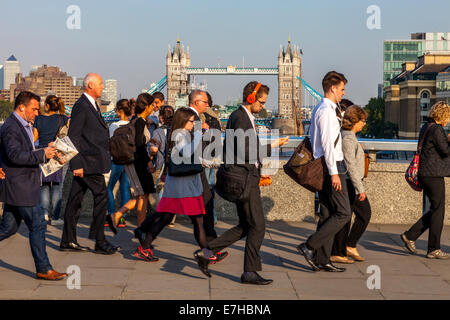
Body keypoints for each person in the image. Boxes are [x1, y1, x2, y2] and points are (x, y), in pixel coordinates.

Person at [193, 81, 289, 284]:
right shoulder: (240, 118)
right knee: (258, 226)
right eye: (261, 102)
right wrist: (273, 144)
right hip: (244, 181)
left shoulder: (244, 117)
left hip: (246, 177)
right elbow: (247, 151)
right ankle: (249, 272)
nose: (263, 105)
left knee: (246, 226)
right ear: (251, 98)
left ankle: (206, 253)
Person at [0, 91, 67, 280]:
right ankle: (44, 268)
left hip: (20, 184)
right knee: (37, 224)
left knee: (8, 228)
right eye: (34, 109)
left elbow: (11, 152)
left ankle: (44, 268)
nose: (37, 113)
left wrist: (46, 150)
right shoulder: (12, 127)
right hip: (20, 185)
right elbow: (15, 156)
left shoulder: (23, 125)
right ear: (22, 107)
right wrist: (42, 154)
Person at [132, 107, 210, 262]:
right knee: (197, 220)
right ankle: (209, 255)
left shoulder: (183, 134)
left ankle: (144, 244)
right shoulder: (180, 135)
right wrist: (200, 134)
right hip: (184, 187)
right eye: (191, 121)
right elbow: (187, 153)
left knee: (166, 218)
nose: (194, 124)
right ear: (183, 121)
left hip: (180, 185)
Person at [297, 71, 352, 272]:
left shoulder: (321, 108)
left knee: (328, 212)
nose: (343, 93)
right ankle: (309, 245)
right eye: (342, 89)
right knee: (344, 212)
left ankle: (322, 259)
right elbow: (328, 144)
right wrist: (334, 173)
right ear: (333, 88)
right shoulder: (327, 112)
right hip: (333, 166)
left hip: (327, 165)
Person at [60, 73, 117, 255]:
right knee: (102, 196)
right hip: (87, 163)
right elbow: (73, 136)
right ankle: (99, 240)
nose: (103, 87)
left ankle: (68, 240)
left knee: (74, 201)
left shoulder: (91, 104)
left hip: (89, 162)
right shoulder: (82, 106)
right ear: (90, 85)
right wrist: (76, 164)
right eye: (100, 84)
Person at [401, 101, 450, 259]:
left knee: (435, 209)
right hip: (433, 174)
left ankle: (411, 235)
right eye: (448, 117)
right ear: (442, 115)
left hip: (426, 173)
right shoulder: (437, 129)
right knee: (438, 211)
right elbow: (445, 151)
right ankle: (433, 248)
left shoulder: (426, 126)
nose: (448, 120)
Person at [108, 93, 155, 230]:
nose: (153, 108)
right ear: (146, 106)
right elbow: (139, 145)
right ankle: (140, 229)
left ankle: (117, 216)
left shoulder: (134, 120)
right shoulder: (140, 121)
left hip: (132, 163)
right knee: (142, 197)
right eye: (151, 105)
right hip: (138, 164)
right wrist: (149, 162)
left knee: (141, 196)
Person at [330, 105, 371, 263]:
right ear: (354, 121)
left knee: (347, 218)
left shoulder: (349, 137)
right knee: (363, 214)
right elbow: (350, 165)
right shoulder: (347, 137)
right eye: (362, 120)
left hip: (350, 182)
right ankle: (346, 247)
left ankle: (342, 250)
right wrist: (360, 189)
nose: (364, 124)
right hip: (350, 183)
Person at [33, 95, 69, 226]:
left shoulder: (39, 119)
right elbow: (67, 138)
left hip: (44, 153)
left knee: (44, 185)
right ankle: (56, 217)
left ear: (46, 106)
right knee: (58, 186)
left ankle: (44, 214)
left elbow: (34, 137)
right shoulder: (64, 118)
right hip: (59, 154)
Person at [106, 99, 133, 228]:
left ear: (120, 111)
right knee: (125, 189)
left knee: (109, 188)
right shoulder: (132, 126)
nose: (115, 112)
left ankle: (111, 215)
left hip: (115, 161)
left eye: (116, 109)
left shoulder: (113, 126)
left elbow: (109, 144)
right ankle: (122, 218)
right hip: (129, 162)